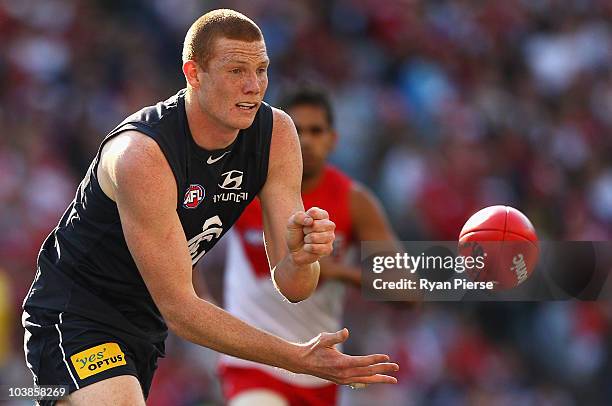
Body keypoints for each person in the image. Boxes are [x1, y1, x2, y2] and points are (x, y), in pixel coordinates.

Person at [21, 9, 398, 406]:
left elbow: (294, 286)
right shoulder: (143, 155)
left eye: (262, 69)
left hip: (144, 323)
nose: (254, 86)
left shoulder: (277, 134)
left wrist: (304, 257)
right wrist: (296, 358)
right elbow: (182, 310)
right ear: (193, 73)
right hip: (75, 312)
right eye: (236, 71)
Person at [215, 86, 400, 406]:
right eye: (296, 130)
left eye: (316, 131)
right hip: (253, 366)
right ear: (278, 137)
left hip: (322, 371)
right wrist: (198, 300)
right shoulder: (240, 186)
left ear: (333, 139)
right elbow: (182, 236)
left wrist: (335, 271)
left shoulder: (354, 202)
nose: (306, 140)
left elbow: (408, 290)